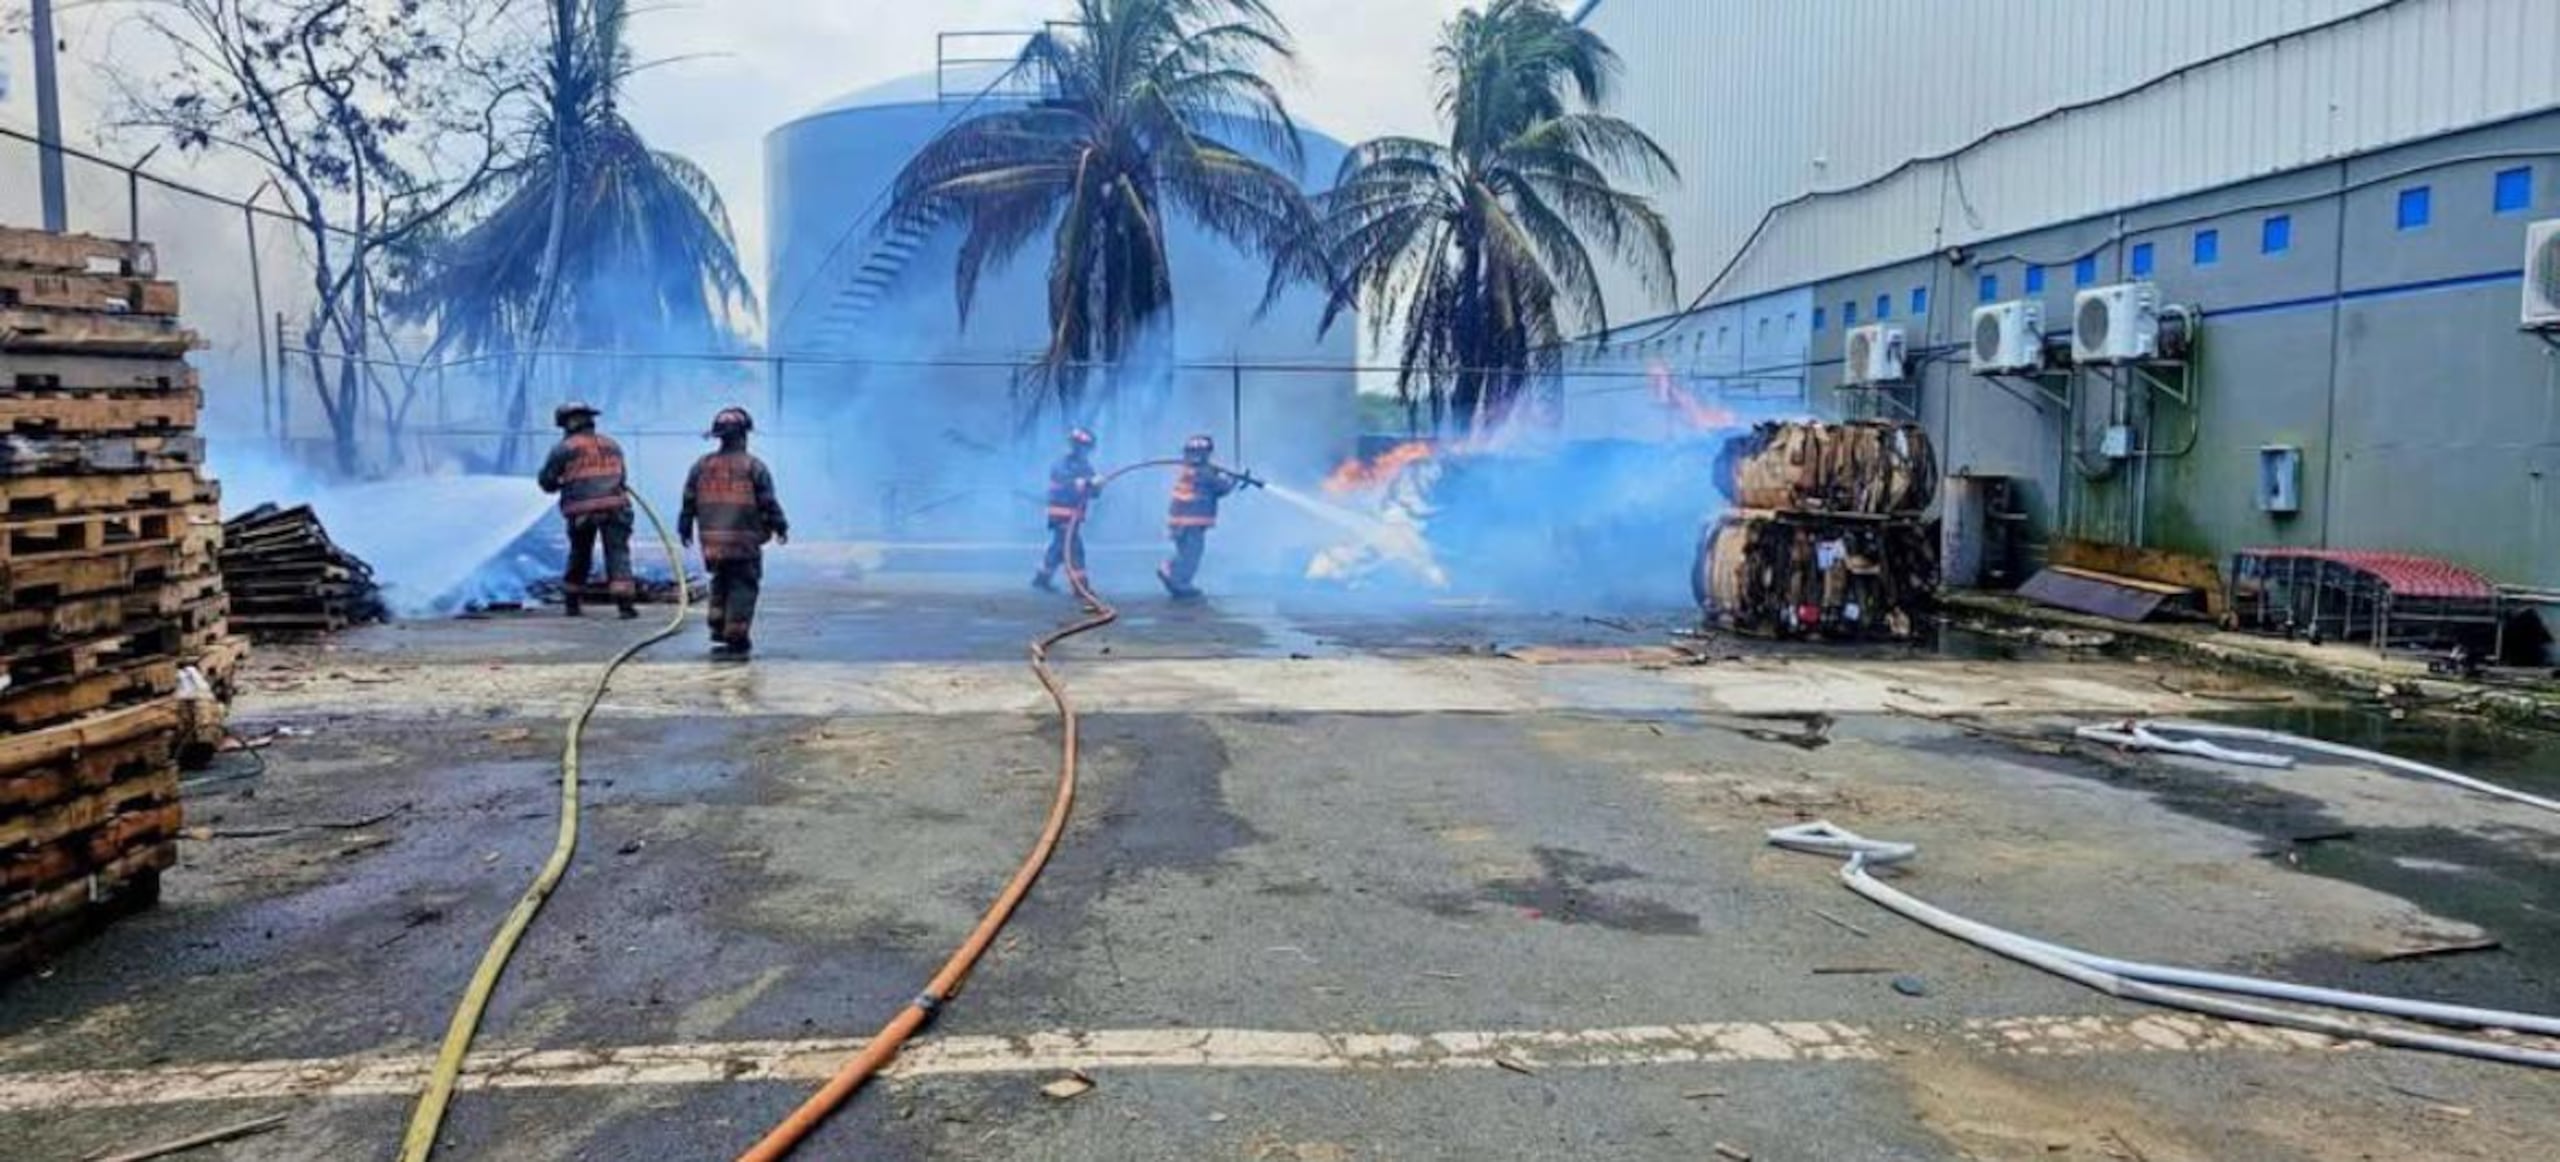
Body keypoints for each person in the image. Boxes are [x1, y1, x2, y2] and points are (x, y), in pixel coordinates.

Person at [678, 407, 788, 660]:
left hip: (712, 542)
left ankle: (717, 624)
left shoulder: (701, 466)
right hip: (744, 542)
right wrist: (781, 526)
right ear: (743, 435)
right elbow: (768, 503)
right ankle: (736, 635)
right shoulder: (754, 466)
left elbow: (688, 501)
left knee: (720, 579)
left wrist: (685, 527)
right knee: (743, 586)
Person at [535, 400, 637, 619]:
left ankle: (572, 603)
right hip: (616, 507)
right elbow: (622, 477)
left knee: (580, 553)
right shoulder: (612, 444)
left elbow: (547, 482)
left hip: (582, 511)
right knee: (618, 553)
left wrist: (561, 482)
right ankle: (625, 605)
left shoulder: (564, 448)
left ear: (568, 423)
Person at [1159, 433, 1258, 599]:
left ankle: (1180, 583)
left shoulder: (1189, 470)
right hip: (1191, 522)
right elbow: (1222, 488)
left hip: (1179, 521)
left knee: (1187, 553)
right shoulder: (1204, 473)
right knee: (1192, 554)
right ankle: (1173, 572)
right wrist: (1232, 479)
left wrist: (1222, 474)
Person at [1033, 427, 1100, 596]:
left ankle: (1042, 578)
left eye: (1086, 447)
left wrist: (1098, 485)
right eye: (1080, 446)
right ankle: (1081, 587)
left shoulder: (1085, 466)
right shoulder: (1062, 465)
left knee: (1058, 548)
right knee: (1074, 549)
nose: (1082, 450)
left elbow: (1092, 493)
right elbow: (1072, 485)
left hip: (1073, 516)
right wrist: (1088, 483)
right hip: (1062, 515)